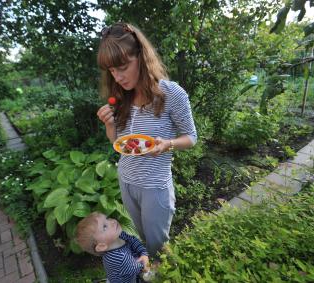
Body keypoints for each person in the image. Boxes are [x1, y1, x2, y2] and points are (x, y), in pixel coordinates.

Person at [96, 22, 197, 257]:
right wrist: (110, 125)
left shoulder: (172, 94)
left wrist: (168, 144)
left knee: (158, 247)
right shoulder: (121, 96)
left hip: (154, 187)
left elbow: (191, 137)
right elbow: (117, 143)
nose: (118, 77)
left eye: (122, 66)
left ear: (140, 56)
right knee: (142, 242)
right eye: (112, 70)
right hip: (126, 181)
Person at [75, 212, 150, 283]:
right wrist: (146, 261)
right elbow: (140, 269)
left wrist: (143, 253)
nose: (112, 222)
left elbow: (132, 239)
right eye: (104, 227)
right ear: (102, 246)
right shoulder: (119, 257)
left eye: (107, 218)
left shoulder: (119, 235)